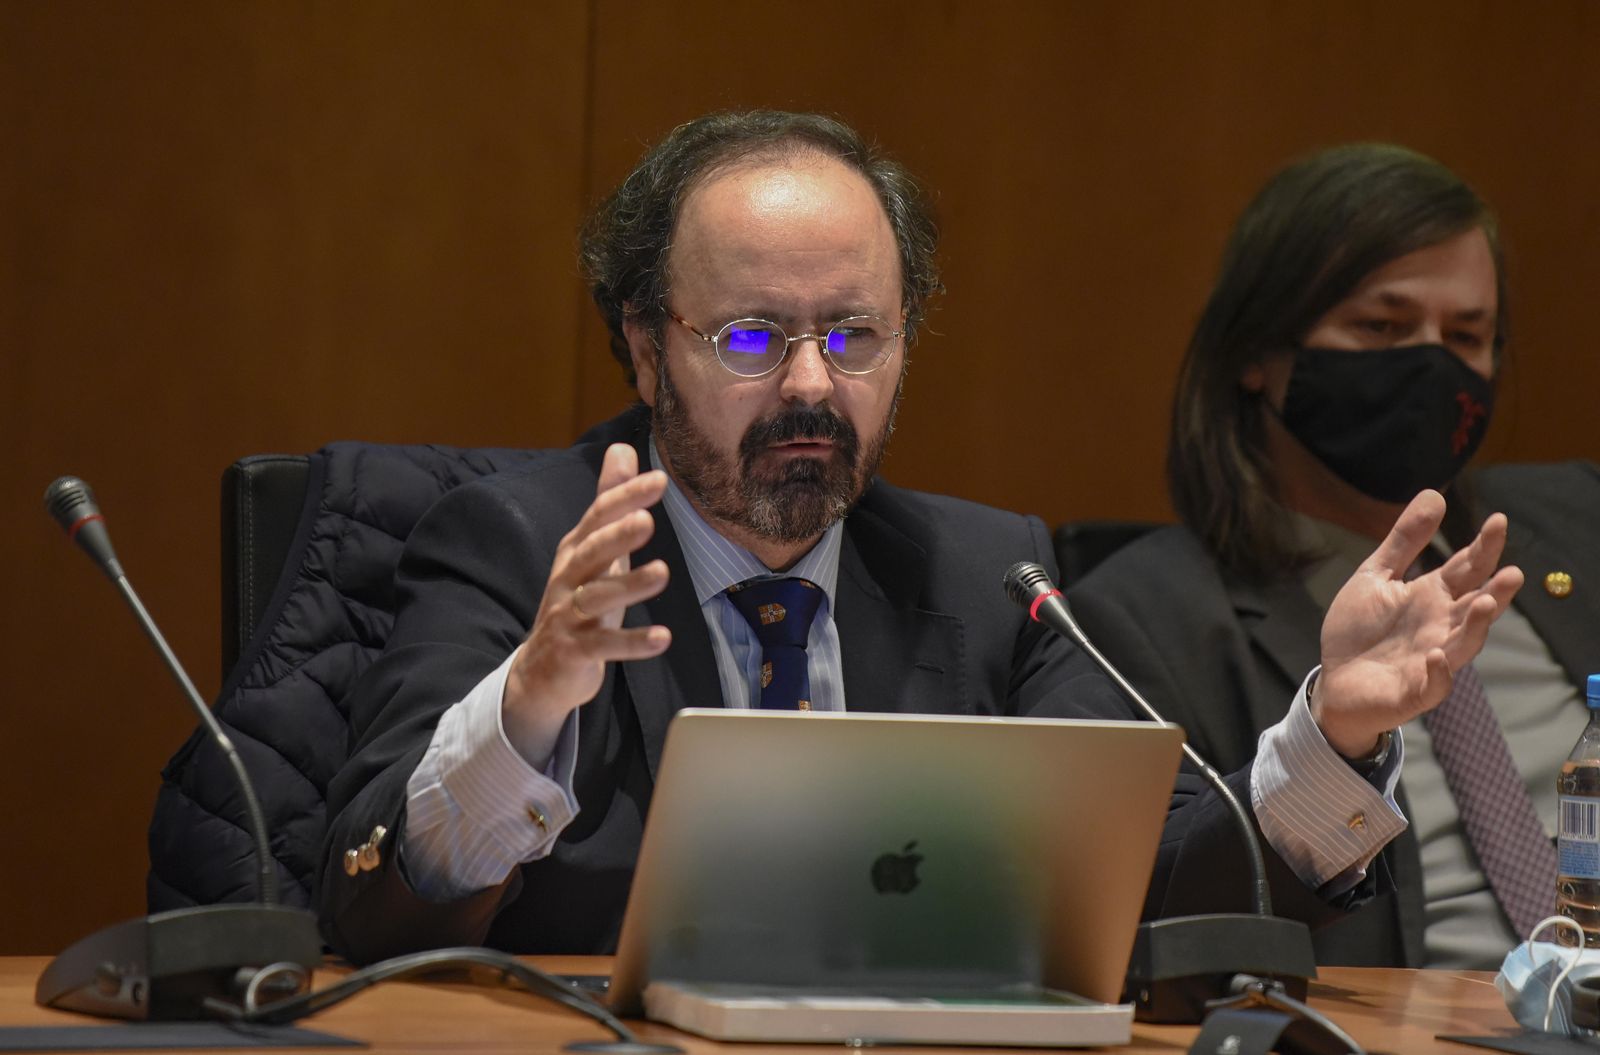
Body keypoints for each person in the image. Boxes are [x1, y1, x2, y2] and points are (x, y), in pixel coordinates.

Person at [317, 114, 1523, 964]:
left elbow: (1160, 890)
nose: (808, 385)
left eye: (855, 337)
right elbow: (379, 909)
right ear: (645, 347)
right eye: (747, 340)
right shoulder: (519, 543)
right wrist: (530, 699)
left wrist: (1339, 729)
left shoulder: (989, 577)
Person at [1069, 143, 1600, 970]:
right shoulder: (1142, 620)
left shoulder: (1580, 521)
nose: (1430, 363)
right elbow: (1147, 928)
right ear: (1257, 353)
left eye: (1467, 335)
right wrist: (1335, 739)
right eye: (1381, 327)